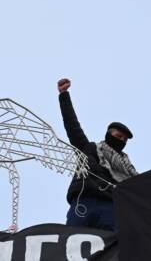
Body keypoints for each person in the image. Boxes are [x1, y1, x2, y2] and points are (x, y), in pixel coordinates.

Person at [57, 78, 138, 231]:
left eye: (124, 139)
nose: (121, 140)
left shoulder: (128, 170)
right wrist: (64, 95)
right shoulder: (89, 149)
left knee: (111, 249)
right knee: (71, 242)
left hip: (111, 208)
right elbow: (72, 126)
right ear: (109, 134)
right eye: (118, 136)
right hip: (84, 203)